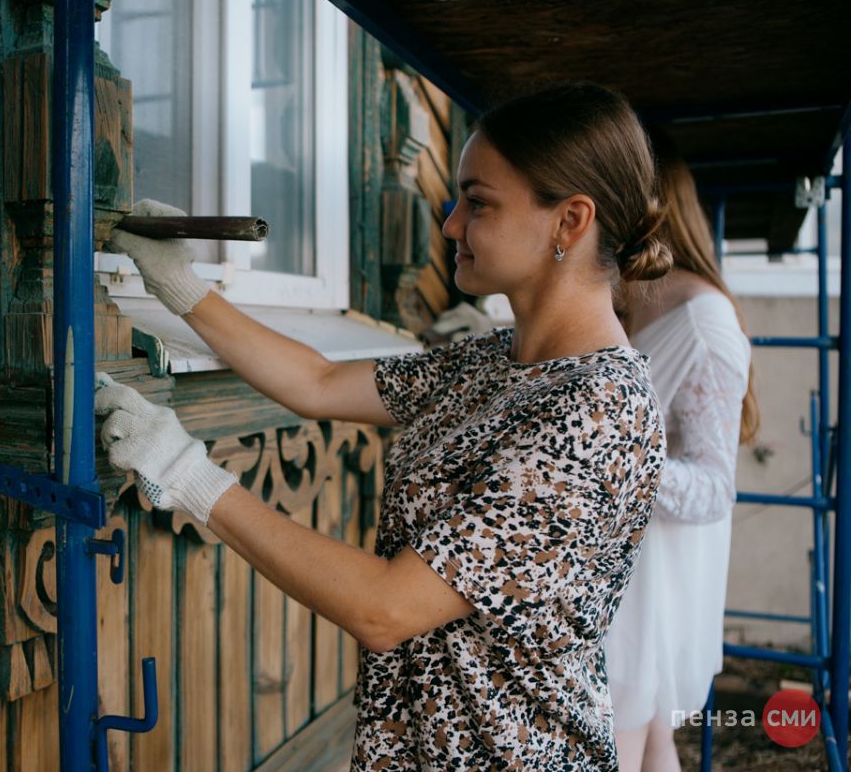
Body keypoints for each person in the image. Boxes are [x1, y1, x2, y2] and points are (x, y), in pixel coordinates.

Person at [94, 82, 669, 770]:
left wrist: (185, 473)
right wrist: (181, 287)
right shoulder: (496, 361)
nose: (451, 226)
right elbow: (318, 383)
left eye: (478, 203)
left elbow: (386, 606)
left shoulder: (597, 411)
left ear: (569, 222)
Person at [605, 136, 758, 772]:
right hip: (620, 563)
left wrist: (614, 462)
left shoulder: (702, 319)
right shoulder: (625, 300)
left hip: (656, 577)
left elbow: (714, 485)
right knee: (647, 744)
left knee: (625, 743)